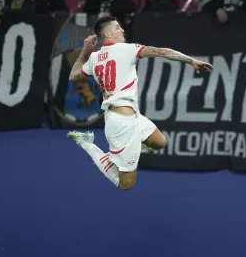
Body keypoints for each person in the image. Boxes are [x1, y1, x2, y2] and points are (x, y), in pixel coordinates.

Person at [67, 16, 214, 190]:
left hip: (129, 115)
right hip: (122, 124)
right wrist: (191, 60)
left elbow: (73, 75)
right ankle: (87, 143)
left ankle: (126, 151)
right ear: (107, 33)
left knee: (159, 142)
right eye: (117, 27)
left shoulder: (95, 58)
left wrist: (85, 51)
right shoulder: (127, 49)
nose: (122, 30)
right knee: (126, 184)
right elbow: (162, 52)